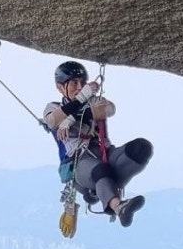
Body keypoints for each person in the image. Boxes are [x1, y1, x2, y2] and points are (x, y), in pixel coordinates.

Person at [43, 61, 153, 226]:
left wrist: (72, 118)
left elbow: (109, 109)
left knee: (141, 148)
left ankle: (104, 187)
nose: (80, 86)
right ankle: (118, 207)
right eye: (74, 82)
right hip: (80, 164)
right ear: (60, 87)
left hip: (105, 153)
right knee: (101, 170)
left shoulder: (94, 101)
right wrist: (81, 99)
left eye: (82, 82)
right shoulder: (53, 107)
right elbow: (52, 121)